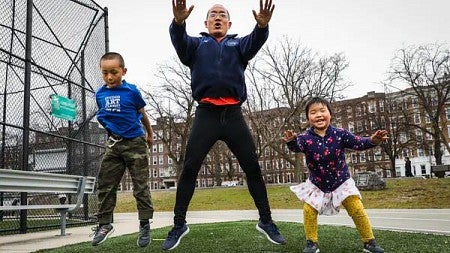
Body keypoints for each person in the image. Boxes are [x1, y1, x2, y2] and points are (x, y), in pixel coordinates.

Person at [162, 0, 286, 250]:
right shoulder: (196, 45)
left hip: (233, 116)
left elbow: (255, 41)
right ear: (206, 23)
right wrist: (178, 23)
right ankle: (178, 225)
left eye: (222, 15)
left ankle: (266, 221)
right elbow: (179, 40)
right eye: (213, 15)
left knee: (252, 167)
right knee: (189, 168)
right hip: (206, 114)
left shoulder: (238, 45)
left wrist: (261, 27)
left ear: (229, 24)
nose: (217, 17)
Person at [282, 97, 388, 253]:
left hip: (342, 182)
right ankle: (311, 243)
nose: (318, 115)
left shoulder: (340, 134)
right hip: (317, 184)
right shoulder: (305, 138)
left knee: (356, 207)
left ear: (330, 114)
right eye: (313, 112)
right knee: (308, 210)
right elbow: (296, 147)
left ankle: (370, 242)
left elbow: (359, 143)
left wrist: (373, 140)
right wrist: (291, 141)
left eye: (322, 111)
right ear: (308, 118)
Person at [92, 52, 155, 247]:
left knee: (140, 185)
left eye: (114, 72)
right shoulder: (100, 94)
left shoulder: (132, 92)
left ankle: (144, 224)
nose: (109, 77)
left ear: (123, 71)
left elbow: (142, 113)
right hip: (114, 144)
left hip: (135, 142)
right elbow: (104, 116)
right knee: (105, 183)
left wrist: (150, 133)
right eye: (105, 73)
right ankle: (104, 224)